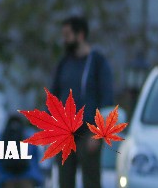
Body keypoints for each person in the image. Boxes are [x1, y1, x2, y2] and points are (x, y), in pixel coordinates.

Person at [49, 15, 113, 188]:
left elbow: (107, 100)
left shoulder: (97, 63)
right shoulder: (63, 64)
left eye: (68, 35)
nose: (65, 40)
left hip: (89, 132)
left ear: (80, 35)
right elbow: (53, 98)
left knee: (91, 181)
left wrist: (98, 133)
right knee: (64, 181)